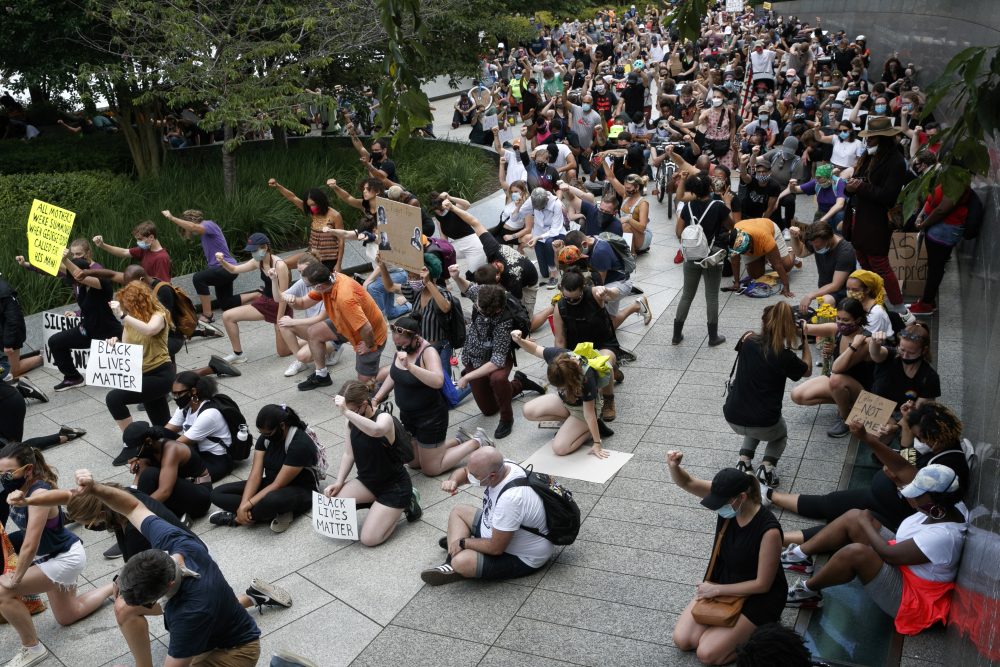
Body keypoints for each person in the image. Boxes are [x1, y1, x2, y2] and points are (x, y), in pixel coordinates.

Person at [72, 470, 266, 666]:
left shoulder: (186, 614)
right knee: (128, 608)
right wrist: (95, 488)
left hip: (234, 652)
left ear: (162, 595)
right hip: (204, 590)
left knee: (129, 608)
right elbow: (131, 508)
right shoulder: (176, 542)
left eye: (147, 602)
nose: (91, 527)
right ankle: (252, 596)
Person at [785, 465, 968, 637]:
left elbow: (889, 556)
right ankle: (799, 555)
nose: (912, 498)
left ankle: (808, 593)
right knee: (855, 516)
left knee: (856, 553)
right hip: (904, 563)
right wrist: (864, 521)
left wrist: (867, 524)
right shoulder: (950, 506)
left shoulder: (944, 537)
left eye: (919, 495)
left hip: (912, 597)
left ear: (936, 503)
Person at [766, 402, 970, 548]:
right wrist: (906, 423)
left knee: (841, 526)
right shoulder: (937, 449)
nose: (920, 441)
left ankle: (777, 540)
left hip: (895, 515)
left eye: (921, 437)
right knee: (830, 502)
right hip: (879, 497)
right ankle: (770, 496)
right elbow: (909, 458)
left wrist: (896, 480)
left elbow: (919, 500)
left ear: (935, 437)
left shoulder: (948, 465)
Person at [0, 444, 115, 667]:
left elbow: (30, 544)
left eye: (7, 473)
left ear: (28, 469)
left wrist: (16, 580)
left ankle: (32, 648)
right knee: (68, 616)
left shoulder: (39, 493)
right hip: (52, 555)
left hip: (62, 558)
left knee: (2, 592)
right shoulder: (15, 488)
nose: (3, 478)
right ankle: (115, 585)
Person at [667, 453, 786, 666]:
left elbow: (762, 584)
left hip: (758, 597)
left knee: (707, 654)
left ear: (741, 497)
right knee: (683, 640)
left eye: (722, 503)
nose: (718, 508)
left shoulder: (769, 531)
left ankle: (762, 630)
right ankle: (730, 632)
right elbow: (688, 482)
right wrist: (674, 466)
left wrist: (716, 591)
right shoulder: (727, 496)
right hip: (725, 580)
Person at [420, 447, 553, 586]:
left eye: (475, 476)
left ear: (493, 476)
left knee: (461, 562)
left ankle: (455, 558)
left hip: (523, 556)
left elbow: (496, 548)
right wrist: (453, 481)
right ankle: (451, 558)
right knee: (458, 511)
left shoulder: (510, 499)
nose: (470, 477)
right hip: (498, 528)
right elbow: (465, 472)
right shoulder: (504, 465)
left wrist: (463, 542)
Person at [370, 317, 483, 476]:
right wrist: (376, 398)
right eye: (397, 344)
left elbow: (438, 381)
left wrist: (409, 366)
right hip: (408, 416)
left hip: (430, 417)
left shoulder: (428, 352)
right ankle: (459, 439)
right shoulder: (402, 348)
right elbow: (394, 375)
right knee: (413, 463)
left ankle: (476, 442)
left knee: (431, 469)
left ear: (415, 338)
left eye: (403, 343)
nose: (400, 346)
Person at [323, 381, 422, 546]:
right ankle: (379, 507)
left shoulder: (384, 418)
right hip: (367, 481)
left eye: (352, 410)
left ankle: (406, 502)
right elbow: (348, 454)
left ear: (364, 405)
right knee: (335, 504)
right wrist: (339, 482)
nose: (347, 414)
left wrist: (347, 412)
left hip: (394, 486)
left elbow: (376, 430)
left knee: (369, 539)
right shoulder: (350, 420)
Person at [725, 303, 811, 488]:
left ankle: (744, 461)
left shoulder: (747, 339)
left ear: (763, 322)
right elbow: (808, 370)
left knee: (754, 419)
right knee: (779, 434)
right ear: (789, 327)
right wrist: (803, 339)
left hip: (733, 415)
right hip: (765, 422)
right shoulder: (785, 356)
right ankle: (767, 468)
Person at [452, 278, 542, 439]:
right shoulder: (484, 294)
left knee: (498, 379)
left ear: (494, 311)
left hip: (496, 357)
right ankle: (519, 383)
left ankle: (507, 418)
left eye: (478, 307)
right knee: (489, 410)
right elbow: (468, 288)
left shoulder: (503, 322)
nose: (475, 306)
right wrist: (456, 276)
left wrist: (467, 376)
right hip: (473, 356)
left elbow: (496, 361)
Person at [209, 405, 321, 533]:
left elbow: (278, 484)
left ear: (282, 426)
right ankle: (270, 513)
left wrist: (247, 506)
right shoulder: (266, 438)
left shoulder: (300, 444)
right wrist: (243, 505)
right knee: (216, 494)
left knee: (271, 500)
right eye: (261, 433)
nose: (264, 437)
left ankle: (236, 519)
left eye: (267, 433)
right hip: (270, 484)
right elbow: (255, 475)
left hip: (300, 489)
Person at [375, 255, 469, 405]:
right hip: (421, 348)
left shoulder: (441, 293)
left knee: (448, 398)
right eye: (410, 275)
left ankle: (472, 383)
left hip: (440, 349)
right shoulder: (415, 292)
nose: (411, 279)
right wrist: (382, 267)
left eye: (414, 276)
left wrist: (428, 283)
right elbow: (390, 287)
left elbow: (445, 307)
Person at [283, 262, 388, 390]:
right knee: (314, 332)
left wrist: (369, 345)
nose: (307, 288)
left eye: (308, 285)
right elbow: (303, 303)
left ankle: (398, 371)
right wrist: (292, 300)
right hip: (345, 323)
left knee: (366, 383)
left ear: (319, 286)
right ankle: (321, 376)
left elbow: (367, 328)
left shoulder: (344, 298)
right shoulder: (330, 280)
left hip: (370, 336)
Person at [842, 117, 908, 316]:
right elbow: (857, 181)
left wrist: (860, 187)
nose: (867, 142)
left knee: (880, 264)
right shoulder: (869, 155)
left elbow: (888, 195)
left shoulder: (896, 162)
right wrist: (851, 187)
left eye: (870, 138)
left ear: (882, 138)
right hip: (858, 219)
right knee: (863, 261)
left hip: (876, 222)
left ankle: (898, 307)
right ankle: (872, 300)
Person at [512, 331, 615, 457]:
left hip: (582, 410)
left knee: (560, 448)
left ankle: (590, 430)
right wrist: (519, 340)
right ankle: (572, 424)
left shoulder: (586, 377)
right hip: (564, 402)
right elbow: (535, 349)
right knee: (528, 411)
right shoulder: (557, 357)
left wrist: (597, 443)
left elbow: (589, 414)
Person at [790, 299, 875, 437]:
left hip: (862, 389)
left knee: (835, 379)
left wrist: (852, 346)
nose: (841, 323)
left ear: (858, 319)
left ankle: (846, 418)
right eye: (838, 318)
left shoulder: (865, 340)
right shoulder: (837, 329)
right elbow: (805, 329)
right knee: (798, 396)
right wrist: (788, 320)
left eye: (846, 320)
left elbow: (837, 368)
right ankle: (848, 405)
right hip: (840, 385)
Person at [46, 253, 122, 392]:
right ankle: (73, 377)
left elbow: (78, 274)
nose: (75, 281)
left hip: (108, 332)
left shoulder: (101, 284)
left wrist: (65, 259)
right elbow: (67, 271)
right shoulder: (81, 287)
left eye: (77, 278)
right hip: (87, 330)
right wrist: (51, 254)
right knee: (55, 341)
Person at [673, 173, 734, 347]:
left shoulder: (688, 207)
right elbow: (732, 226)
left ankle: (676, 335)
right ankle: (713, 337)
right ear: (709, 187)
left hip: (691, 255)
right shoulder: (718, 206)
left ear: (692, 190)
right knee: (712, 296)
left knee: (687, 295)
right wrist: (727, 204)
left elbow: (678, 232)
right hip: (711, 256)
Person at [104, 280, 174, 429]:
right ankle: (170, 438)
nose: (126, 308)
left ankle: (131, 440)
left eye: (128, 305)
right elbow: (128, 349)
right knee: (162, 424)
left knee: (114, 398)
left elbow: (150, 330)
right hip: (141, 374)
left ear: (139, 303)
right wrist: (115, 344)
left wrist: (123, 316)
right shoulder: (130, 321)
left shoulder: (159, 315)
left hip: (160, 374)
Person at [215, 233, 293, 364]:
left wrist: (279, 320)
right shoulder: (258, 261)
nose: (253, 253)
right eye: (251, 251)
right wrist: (222, 261)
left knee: (283, 352)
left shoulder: (279, 265)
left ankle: (307, 340)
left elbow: (283, 297)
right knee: (228, 316)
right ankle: (238, 354)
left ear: (265, 247)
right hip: (264, 302)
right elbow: (234, 269)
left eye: (255, 250)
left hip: (280, 306)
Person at [908, 152, 970, 316]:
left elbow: (943, 209)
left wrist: (924, 223)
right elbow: (931, 201)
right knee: (933, 265)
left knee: (936, 267)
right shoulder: (945, 177)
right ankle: (927, 300)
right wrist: (922, 215)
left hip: (944, 229)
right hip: (935, 226)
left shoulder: (958, 181)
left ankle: (927, 304)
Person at [112, 421, 212, 522]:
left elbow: (164, 492)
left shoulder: (172, 450)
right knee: (146, 478)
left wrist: (135, 510)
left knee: (149, 474)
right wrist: (138, 474)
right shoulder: (149, 450)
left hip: (200, 498)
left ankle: (169, 519)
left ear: (148, 441)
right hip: (180, 493)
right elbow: (141, 486)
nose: (136, 455)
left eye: (137, 451)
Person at [161, 209, 241, 327]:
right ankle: (257, 294)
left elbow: (193, 227)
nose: (188, 231)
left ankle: (208, 315)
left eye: (186, 227)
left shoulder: (208, 225)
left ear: (190, 221)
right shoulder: (205, 232)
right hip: (223, 269)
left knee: (199, 278)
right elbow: (192, 228)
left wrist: (172, 218)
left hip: (226, 268)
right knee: (226, 304)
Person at [561, 231, 650, 324]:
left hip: (619, 284)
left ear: (584, 244)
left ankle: (636, 306)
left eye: (577, 253)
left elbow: (599, 283)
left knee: (607, 326)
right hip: (611, 280)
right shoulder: (590, 239)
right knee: (607, 323)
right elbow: (566, 268)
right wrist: (557, 252)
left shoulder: (599, 252)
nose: (576, 256)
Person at [164, 372, 235, 482]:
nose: (176, 398)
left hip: (216, 459)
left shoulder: (208, 414)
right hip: (198, 453)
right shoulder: (185, 407)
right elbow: (166, 431)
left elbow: (177, 444)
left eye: (179, 394)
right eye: (173, 394)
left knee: (176, 478)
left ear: (193, 391)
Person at [268, 179, 345, 272]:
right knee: (281, 265)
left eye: (314, 204)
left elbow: (341, 241)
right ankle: (284, 286)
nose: (312, 208)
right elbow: (292, 197)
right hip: (311, 255)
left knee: (317, 282)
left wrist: (338, 264)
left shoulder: (335, 215)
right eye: (310, 205)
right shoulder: (312, 212)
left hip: (328, 259)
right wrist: (278, 186)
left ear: (321, 201)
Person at [868, 323, 940, 410]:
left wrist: (909, 411)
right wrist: (874, 342)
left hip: (902, 417)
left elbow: (918, 411)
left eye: (911, 353)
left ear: (924, 350)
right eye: (902, 350)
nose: (905, 356)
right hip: (875, 409)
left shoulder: (930, 377)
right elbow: (875, 354)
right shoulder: (889, 356)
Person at [788, 223, 856, 312]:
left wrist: (810, 295)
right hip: (824, 288)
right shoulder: (816, 240)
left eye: (819, 246)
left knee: (826, 302)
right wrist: (794, 237)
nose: (815, 248)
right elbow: (800, 253)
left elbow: (836, 285)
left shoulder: (845, 252)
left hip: (843, 292)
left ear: (830, 238)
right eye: (813, 245)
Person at [0, 275, 46, 402]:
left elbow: (13, 319)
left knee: (12, 372)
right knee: (6, 370)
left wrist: (8, 343)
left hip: (10, 335)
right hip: (5, 334)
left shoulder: (4, 292)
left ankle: (44, 357)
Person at [728, 218, 795, 298]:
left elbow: (778, 264)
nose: (747, 252)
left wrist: (786, 286)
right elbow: (735, 262)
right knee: (755, 274)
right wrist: (736, 283)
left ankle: (791, 252)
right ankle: (768, 254)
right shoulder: (733, 239)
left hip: (770, 231)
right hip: (757, 236)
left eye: (747, 248)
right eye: (743, 252)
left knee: (786, 266)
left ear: (749, 241)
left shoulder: (764, 237)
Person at [92, 220, 172, 283]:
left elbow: (163, 286)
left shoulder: (161, 258)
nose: (138, 242)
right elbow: (124, 252)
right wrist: (102, 245)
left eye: (140, 239)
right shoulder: (145, 249)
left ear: (151, 237)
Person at [781, 165, 848, 232]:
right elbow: (796, 190)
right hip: (822, 211)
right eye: (816, 177)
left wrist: (823, 220)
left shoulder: (839, 183)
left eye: (819, 178)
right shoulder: (816, 182)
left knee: (838, 219)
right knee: (814, 233)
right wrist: (792, 186)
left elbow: (839, 205)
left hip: (837, 213)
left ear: (828, 177)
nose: (817, 180)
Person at [523, 188, 567, 287]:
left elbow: (555, 230)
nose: (538, 210)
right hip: (539, 235)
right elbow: (519, 213)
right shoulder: (532, 199)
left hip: (557, 233)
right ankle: (549, 269)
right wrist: (518, 206)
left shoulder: (556, 204)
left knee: (549, 243)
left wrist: (538, 237)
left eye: (541, 208)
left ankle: (554, 273)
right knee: (544, 273)